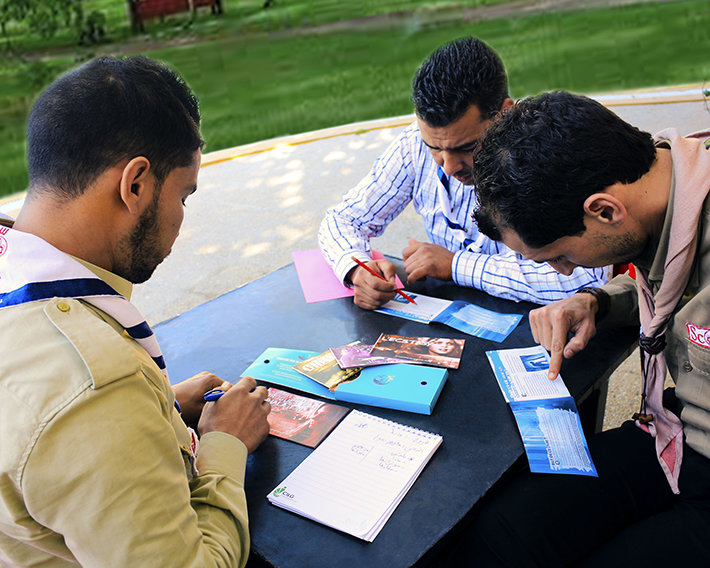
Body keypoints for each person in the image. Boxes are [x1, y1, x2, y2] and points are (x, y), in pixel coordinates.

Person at [0, 56, 271, 567]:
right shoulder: (95, 387)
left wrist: (156, 409)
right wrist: (223, 442)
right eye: (184, 196)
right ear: (136, 184)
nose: (181, 219)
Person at [451, 90, 710, 565]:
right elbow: (674, 277)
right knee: (502, 534)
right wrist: (597, 300)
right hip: (676, 433)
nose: (565, 273)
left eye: (561, 256)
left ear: (605, 211)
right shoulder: (664, 185)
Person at [318, 37, 609, 311]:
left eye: (467, 147)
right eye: (435, 148)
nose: (448, 166)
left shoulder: (547, 154)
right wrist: (356, 269)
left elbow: (588, 278)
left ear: (505, 114)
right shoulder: (414, 144)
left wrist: (456, 265)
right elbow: (343, 220)